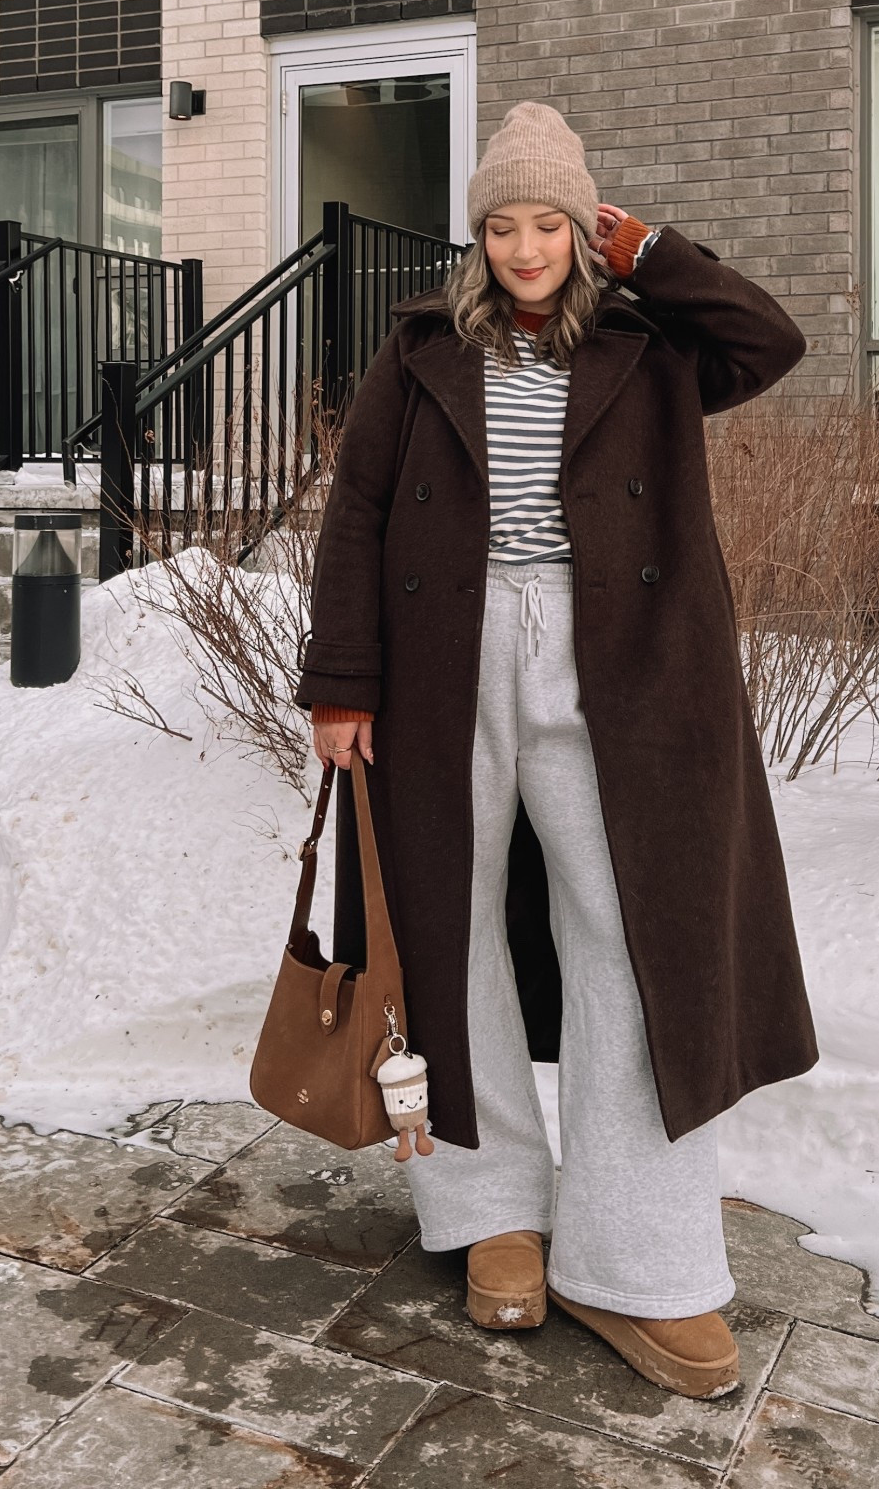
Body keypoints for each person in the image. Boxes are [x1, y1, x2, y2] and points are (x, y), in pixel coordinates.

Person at [298, 100, 818, 1399]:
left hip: (617, 663)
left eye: (550, 223)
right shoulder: (423, 345)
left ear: (583, 230)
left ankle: (637, 1257)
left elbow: (772, 339)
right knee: (448, 930)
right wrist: (342, 678)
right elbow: (358, 510)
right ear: (476, 236)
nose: (526, 248)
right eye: (503, 225)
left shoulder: (651, 340)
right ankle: (490, 1213)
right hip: (441, 659)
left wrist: (649, 251)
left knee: (635, 937)